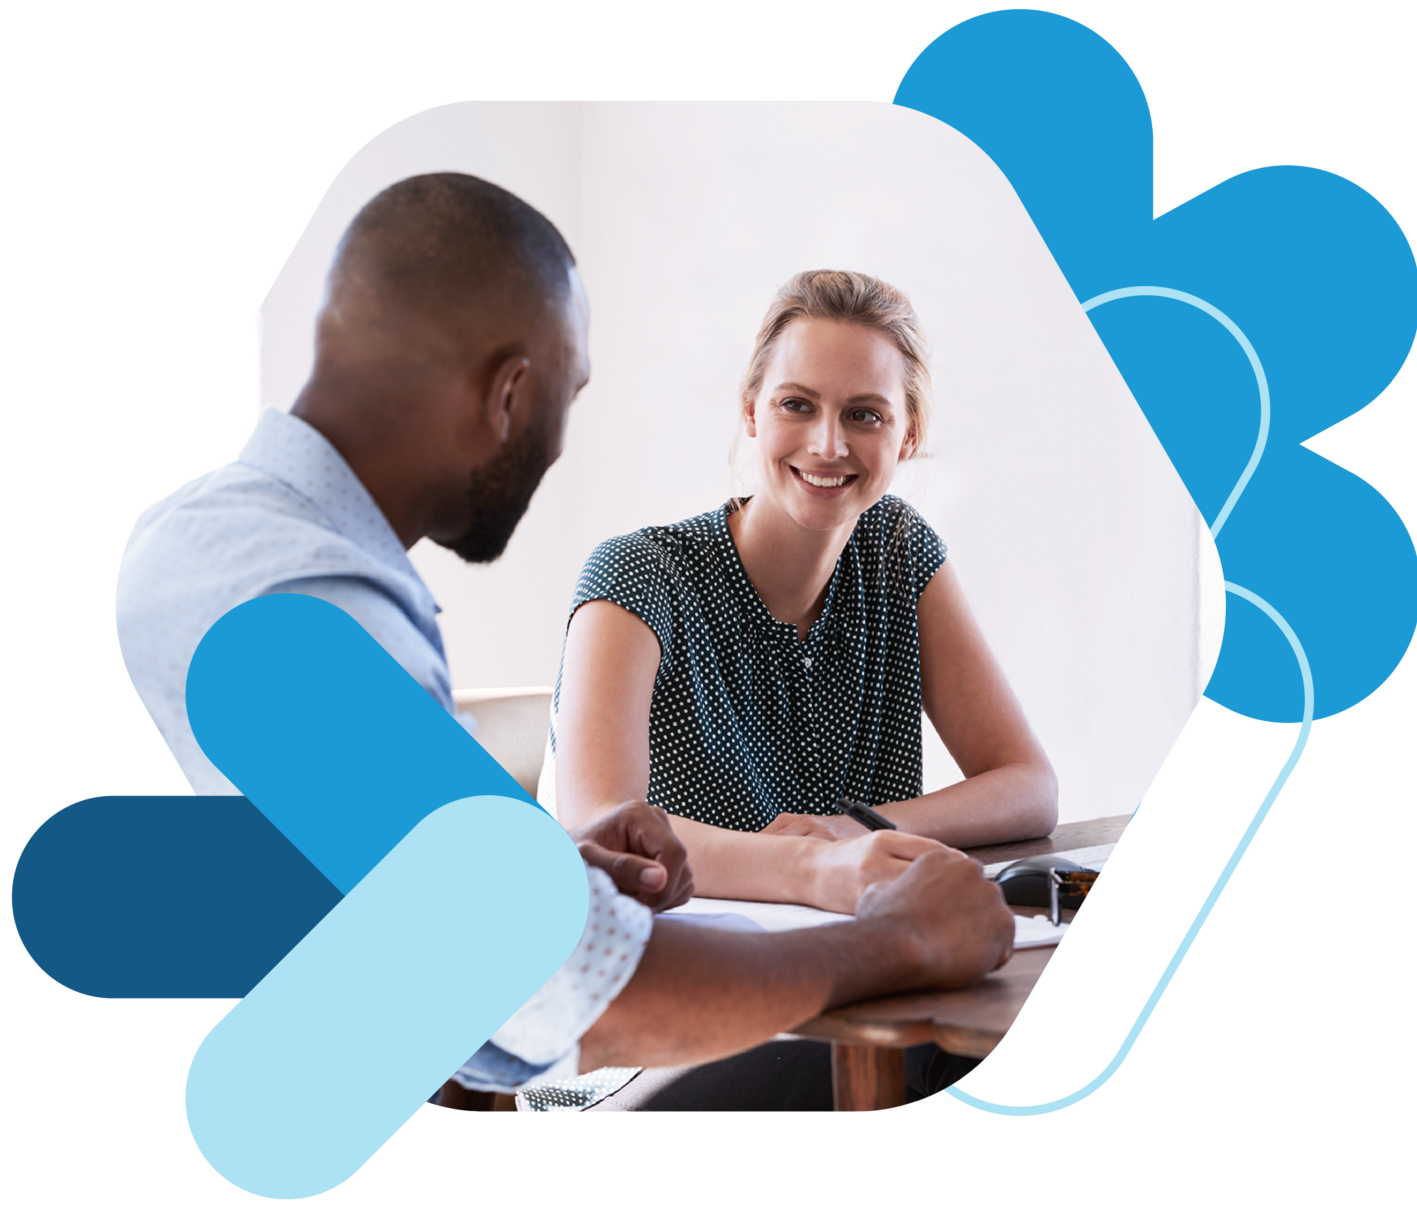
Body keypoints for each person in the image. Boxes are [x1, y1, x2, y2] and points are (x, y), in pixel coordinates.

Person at [115, 174, 1016, 1110]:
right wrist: (896, 939)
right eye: (566, 398)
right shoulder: (300, 603)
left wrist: (547, 873)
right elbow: (550, 988)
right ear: (509, 392)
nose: (553, 453)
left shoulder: (234, 545)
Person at [545, 269, 1060, 918]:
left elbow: (1029, 786)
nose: (828, 444)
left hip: (860, 956)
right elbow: (601, 832)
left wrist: (863, 829)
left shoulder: (899, 548)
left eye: (864, 414)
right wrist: (815, 865)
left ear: (907, 435)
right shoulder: (636, 575)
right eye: (797, 404)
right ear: (751, 411)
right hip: (683, 972)